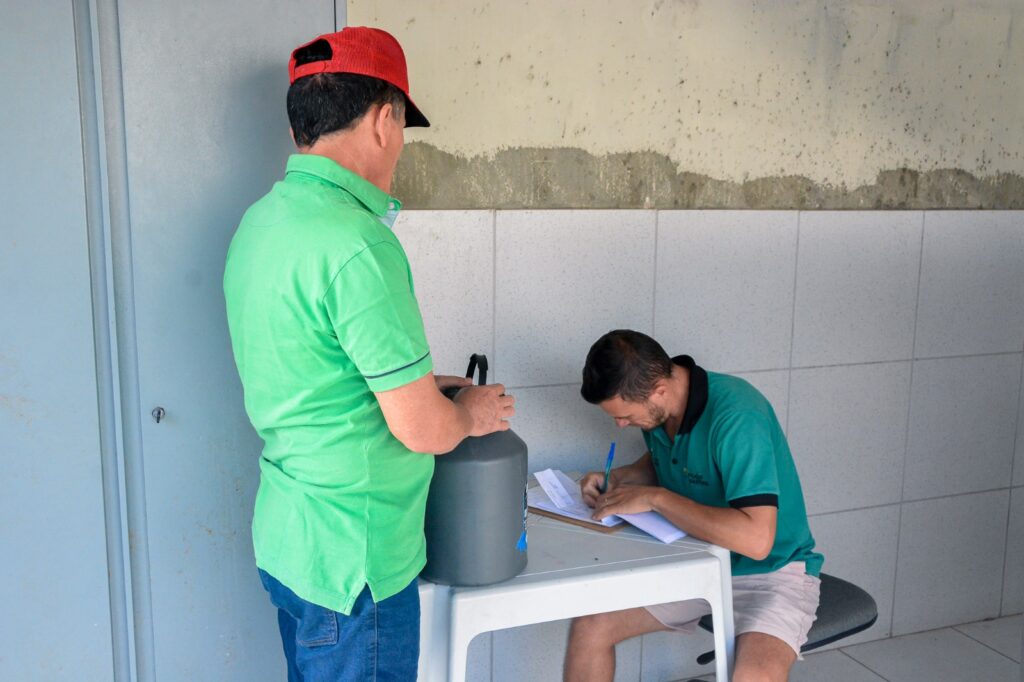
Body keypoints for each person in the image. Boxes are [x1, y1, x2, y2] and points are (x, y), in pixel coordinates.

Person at [223, 27, 514, 681]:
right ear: (385, 119)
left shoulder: (262, 225)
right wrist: (470, 410)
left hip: (290, 543)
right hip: (356, 567)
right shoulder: (357, 245)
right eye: (403, 125)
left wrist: (414, 381)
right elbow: (422, 429)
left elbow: (315, 367)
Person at [565, 330, 823, 682]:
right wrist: (622, 479)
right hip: (697, 562)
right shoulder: (660, 412)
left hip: (773, 574)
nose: (620, 425)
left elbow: (757, 540)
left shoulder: (737, 417)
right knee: (590, 625)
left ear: (659, 389)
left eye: (625, 415)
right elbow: (666, 461)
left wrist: (656, 498)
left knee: (753, 676)